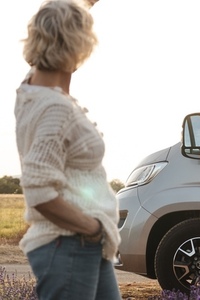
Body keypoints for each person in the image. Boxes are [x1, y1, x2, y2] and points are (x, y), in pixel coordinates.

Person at [14, 0, 121, 299]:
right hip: (71, 243)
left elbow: (54, 21)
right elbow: (37, 190)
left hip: (81, 246)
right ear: (78, 46)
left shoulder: (30, 92)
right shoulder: (55, 109)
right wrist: (92, 229)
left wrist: (82, 5)